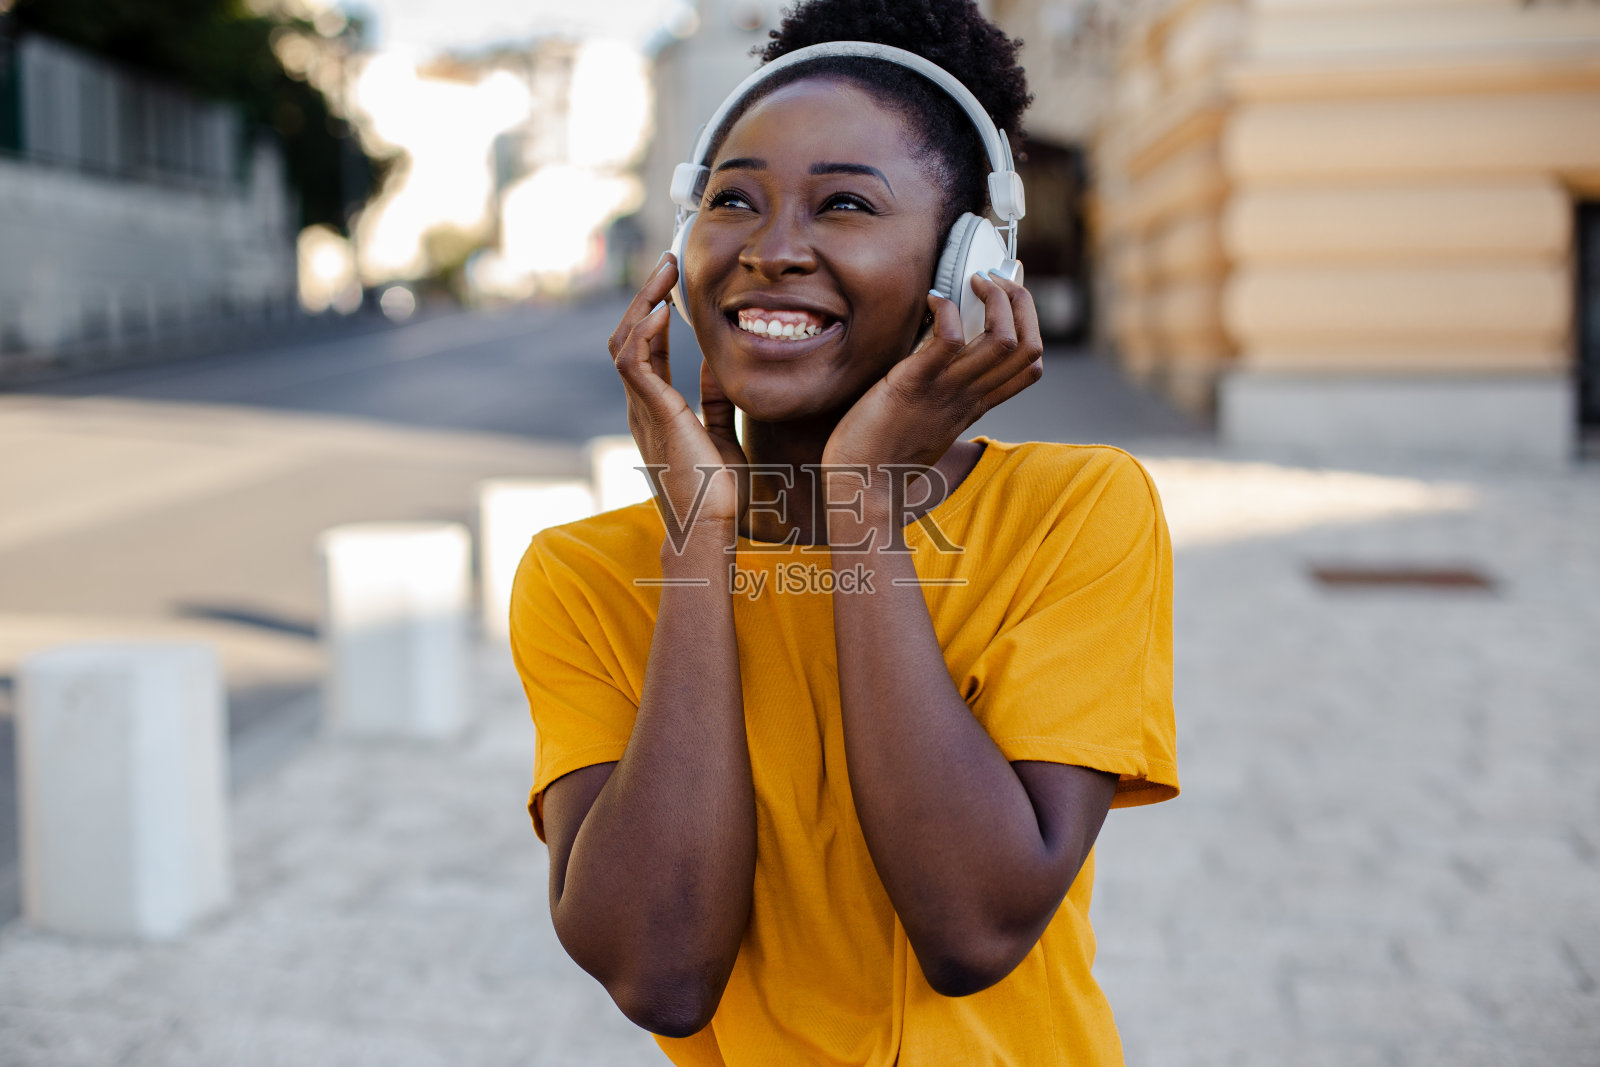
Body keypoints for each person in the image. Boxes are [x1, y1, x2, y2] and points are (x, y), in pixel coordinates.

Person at [510, 1, 1178, 1063]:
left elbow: (973, 925)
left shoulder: (1075, 512)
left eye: (845, 205)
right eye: (733, 199)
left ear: (962, 267)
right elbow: (662, 971)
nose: (773, 249)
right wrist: (698, 538)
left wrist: (860, 501)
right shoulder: (585, 575)